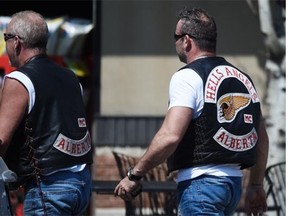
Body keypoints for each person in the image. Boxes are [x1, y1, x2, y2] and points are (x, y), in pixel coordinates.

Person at [114, 7, 269, 216]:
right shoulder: (243, 79)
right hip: (232, 185)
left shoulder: (187, 77)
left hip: (201, 188)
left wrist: (134, 175)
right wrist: (256, 186)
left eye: (175, 37)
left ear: (187, 41)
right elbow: (262, 139)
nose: (175, 42)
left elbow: (170, 136)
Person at [0, 10, 93, 215]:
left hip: (49, 188)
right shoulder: (70, 77)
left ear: (16, 42)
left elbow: (1, 138)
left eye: (5, 37)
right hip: (81, 183)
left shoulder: (18, 80)